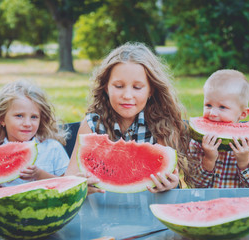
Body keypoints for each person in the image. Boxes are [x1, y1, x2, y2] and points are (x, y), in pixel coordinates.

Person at [65, 42, 196, 194]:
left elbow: (172, 179)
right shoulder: (92, 125)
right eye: (119, 86)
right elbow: (70, 178)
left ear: (150, 90)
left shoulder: (162, 126)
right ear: (106, 87)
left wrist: (172, 185)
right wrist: (81, 186)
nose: (127, 95)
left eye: (137, 87)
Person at [0, 80, 70, 193]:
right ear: (2, 119)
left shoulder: (52, 148)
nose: (27, 123)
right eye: (19, 116)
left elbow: (68, 185)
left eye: (34, 117)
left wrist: (40, 175)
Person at [190, 69, 249, 188]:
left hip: (241, 204)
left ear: (243, 114)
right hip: (206, 204)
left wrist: (244, 162)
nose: (212, 113)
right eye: (208, 105)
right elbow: (194, 184)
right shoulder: (198, 142)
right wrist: (209, 159)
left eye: (222, 107)